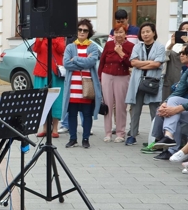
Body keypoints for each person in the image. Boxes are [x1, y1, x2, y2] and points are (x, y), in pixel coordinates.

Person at [62, 19, 102, 149]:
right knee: (72, 114)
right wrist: (82, 61)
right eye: (80, 29)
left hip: (88, 88)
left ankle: (85, 139)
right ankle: (73, 139)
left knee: (87, 115)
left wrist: (76, 59)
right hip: (73, 87)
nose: (82, 32)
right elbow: (66, 63)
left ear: (89, 32)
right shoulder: (70, 46)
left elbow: (91, 62)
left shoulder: (93, 47)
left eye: (85, 30)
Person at [125, 22, 165, 146]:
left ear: (153, 32)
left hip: (153, 82)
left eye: (148, 31)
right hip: (138, 81)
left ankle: (155, 138)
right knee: (135, 110)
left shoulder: (160, 47)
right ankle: (132, 135)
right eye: (143, 32)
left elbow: (157, 64)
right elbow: (133, 63)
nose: (145, 34)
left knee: (154, 109)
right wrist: (149, 62)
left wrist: (141, 63)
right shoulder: (137, 46)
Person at [98, 23, 135, 143]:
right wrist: (99, 76)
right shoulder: (108, 44)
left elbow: (130, 63)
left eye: (121, 32)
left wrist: (120, 52)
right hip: (107, 75)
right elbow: (102, 60)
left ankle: (120, 133)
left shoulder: (130, 46)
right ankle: (107, 133)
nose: (118, 35)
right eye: (116, 32)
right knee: (107, 105)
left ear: (125, 34)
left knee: (121, 105)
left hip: (122, 76)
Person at [32, 37, 66, 138]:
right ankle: (45, 128)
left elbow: (61, 49)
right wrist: (40, 40)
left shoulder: (59, 37)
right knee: (42, 100)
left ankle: (55, 128)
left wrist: (53, 39)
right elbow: (35, 49)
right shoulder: (40, 37)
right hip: (41, 72)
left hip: (55, 73)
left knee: (56, 100)